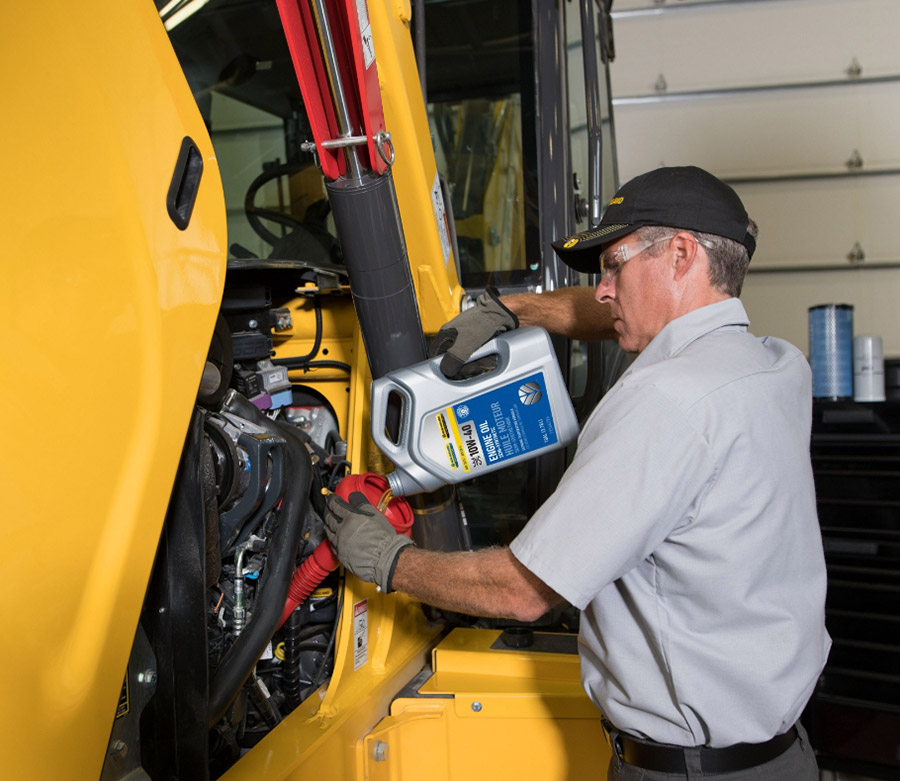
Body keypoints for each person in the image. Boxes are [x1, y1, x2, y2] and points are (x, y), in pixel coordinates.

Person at [324, 166, 831, 780]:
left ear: (681, 254)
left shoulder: (666, 401)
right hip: (784, 757)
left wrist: (387, 560)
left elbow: (522, 591)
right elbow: (654, 319)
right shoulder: (776, 366)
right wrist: (513, 312)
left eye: (614, 265)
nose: (604, 290)